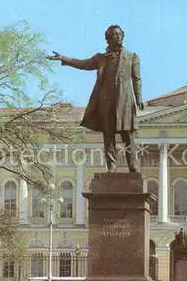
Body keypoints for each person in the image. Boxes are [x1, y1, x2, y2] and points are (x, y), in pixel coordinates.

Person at [47, 25, 145, 173]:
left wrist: (139, 98)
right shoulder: (101, 58)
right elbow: (83, 64)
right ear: (108, 38)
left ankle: (133, 166)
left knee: (128, 135)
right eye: (114, 35)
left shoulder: (131, 57)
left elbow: (136, 79)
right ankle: (111, 166)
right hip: (106, 101)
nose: (118, 37)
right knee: (108, 135)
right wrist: (63, 58)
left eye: (120, 34)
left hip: (124, 101)